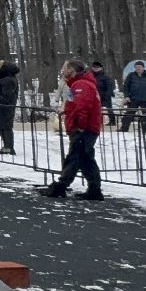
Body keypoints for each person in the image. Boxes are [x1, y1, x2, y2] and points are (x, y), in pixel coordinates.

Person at [39, 59, 105, 200]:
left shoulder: (81, 85)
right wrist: (66, 112)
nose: (63, 71)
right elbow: (73, 104)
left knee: (74, 157)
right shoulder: (76, 84)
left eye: (65, 68)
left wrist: (80, 126)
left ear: (72, 70)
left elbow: (82, 108)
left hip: (84, 129)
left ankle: (61, 186)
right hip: (84, 128)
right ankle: (94, 189)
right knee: (85, 159)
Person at [0, 60, 20, 155]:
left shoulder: (8, 80)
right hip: (4, 107)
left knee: (5, 127)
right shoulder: (8, 79)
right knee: (2, 126)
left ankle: (8, 147)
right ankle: (7, 146)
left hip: (4, 107)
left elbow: (7, 95)